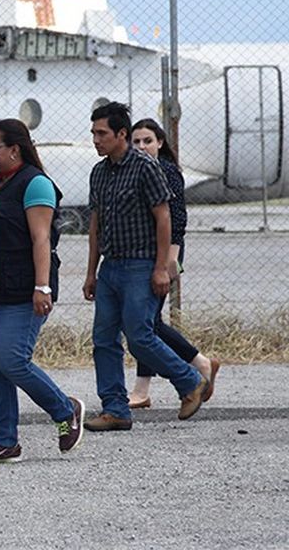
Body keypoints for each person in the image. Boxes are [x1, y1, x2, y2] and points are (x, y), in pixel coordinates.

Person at [0, 119, 84, 464]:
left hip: (21, 288)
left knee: (13, 361)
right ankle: (4, 441)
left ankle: (64, 409)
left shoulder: (35, 184)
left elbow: (41, 238)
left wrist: (42, 286)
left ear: (14, 149)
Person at [83, 103, 208, 431]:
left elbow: (164, 216)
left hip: (141, 265)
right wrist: (91, 272)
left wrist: (161, 268)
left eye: (102, 133)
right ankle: (115, 409)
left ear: (121, 134)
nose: (96, 139)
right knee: (104, 339)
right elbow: (95, 224)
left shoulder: (145, 168)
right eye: (94, 133)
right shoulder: (99, 172)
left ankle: (190, 380)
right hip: (110, 268)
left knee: (139, 334)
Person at [127, 118, 218, 408]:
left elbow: (177, 219)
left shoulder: (166, 171)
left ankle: (197, 365)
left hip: (167, 253)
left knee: (147, 323)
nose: (141, 146)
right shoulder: (136, 170)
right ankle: (194, 366)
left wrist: (171, 262)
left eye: (147, 141)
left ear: (160, 143)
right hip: (145, 254)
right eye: (136, 141)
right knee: (148, 322)